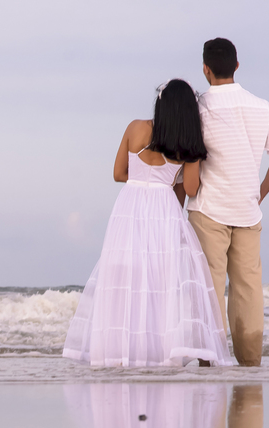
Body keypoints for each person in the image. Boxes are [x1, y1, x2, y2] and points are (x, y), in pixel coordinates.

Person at [63, 80, 234, 368]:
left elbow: (119, 173)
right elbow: (191, 189)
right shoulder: (188, 144)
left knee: (124, 278)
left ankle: (121, 352)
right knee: (159, 282)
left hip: (129, 208)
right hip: (164, 209)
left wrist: (144, 178)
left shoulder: (136, 128)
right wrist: (176, 175)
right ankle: (157, 352)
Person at [189, 38, 269, 367]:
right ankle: (250, 362)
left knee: (210, 288)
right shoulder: (261, 106)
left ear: (205, 69)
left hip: (208, 209)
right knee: (248, 290)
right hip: (248, 211)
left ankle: (211, 361)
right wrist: (258, 194)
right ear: (236, 66)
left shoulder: (199, 108)